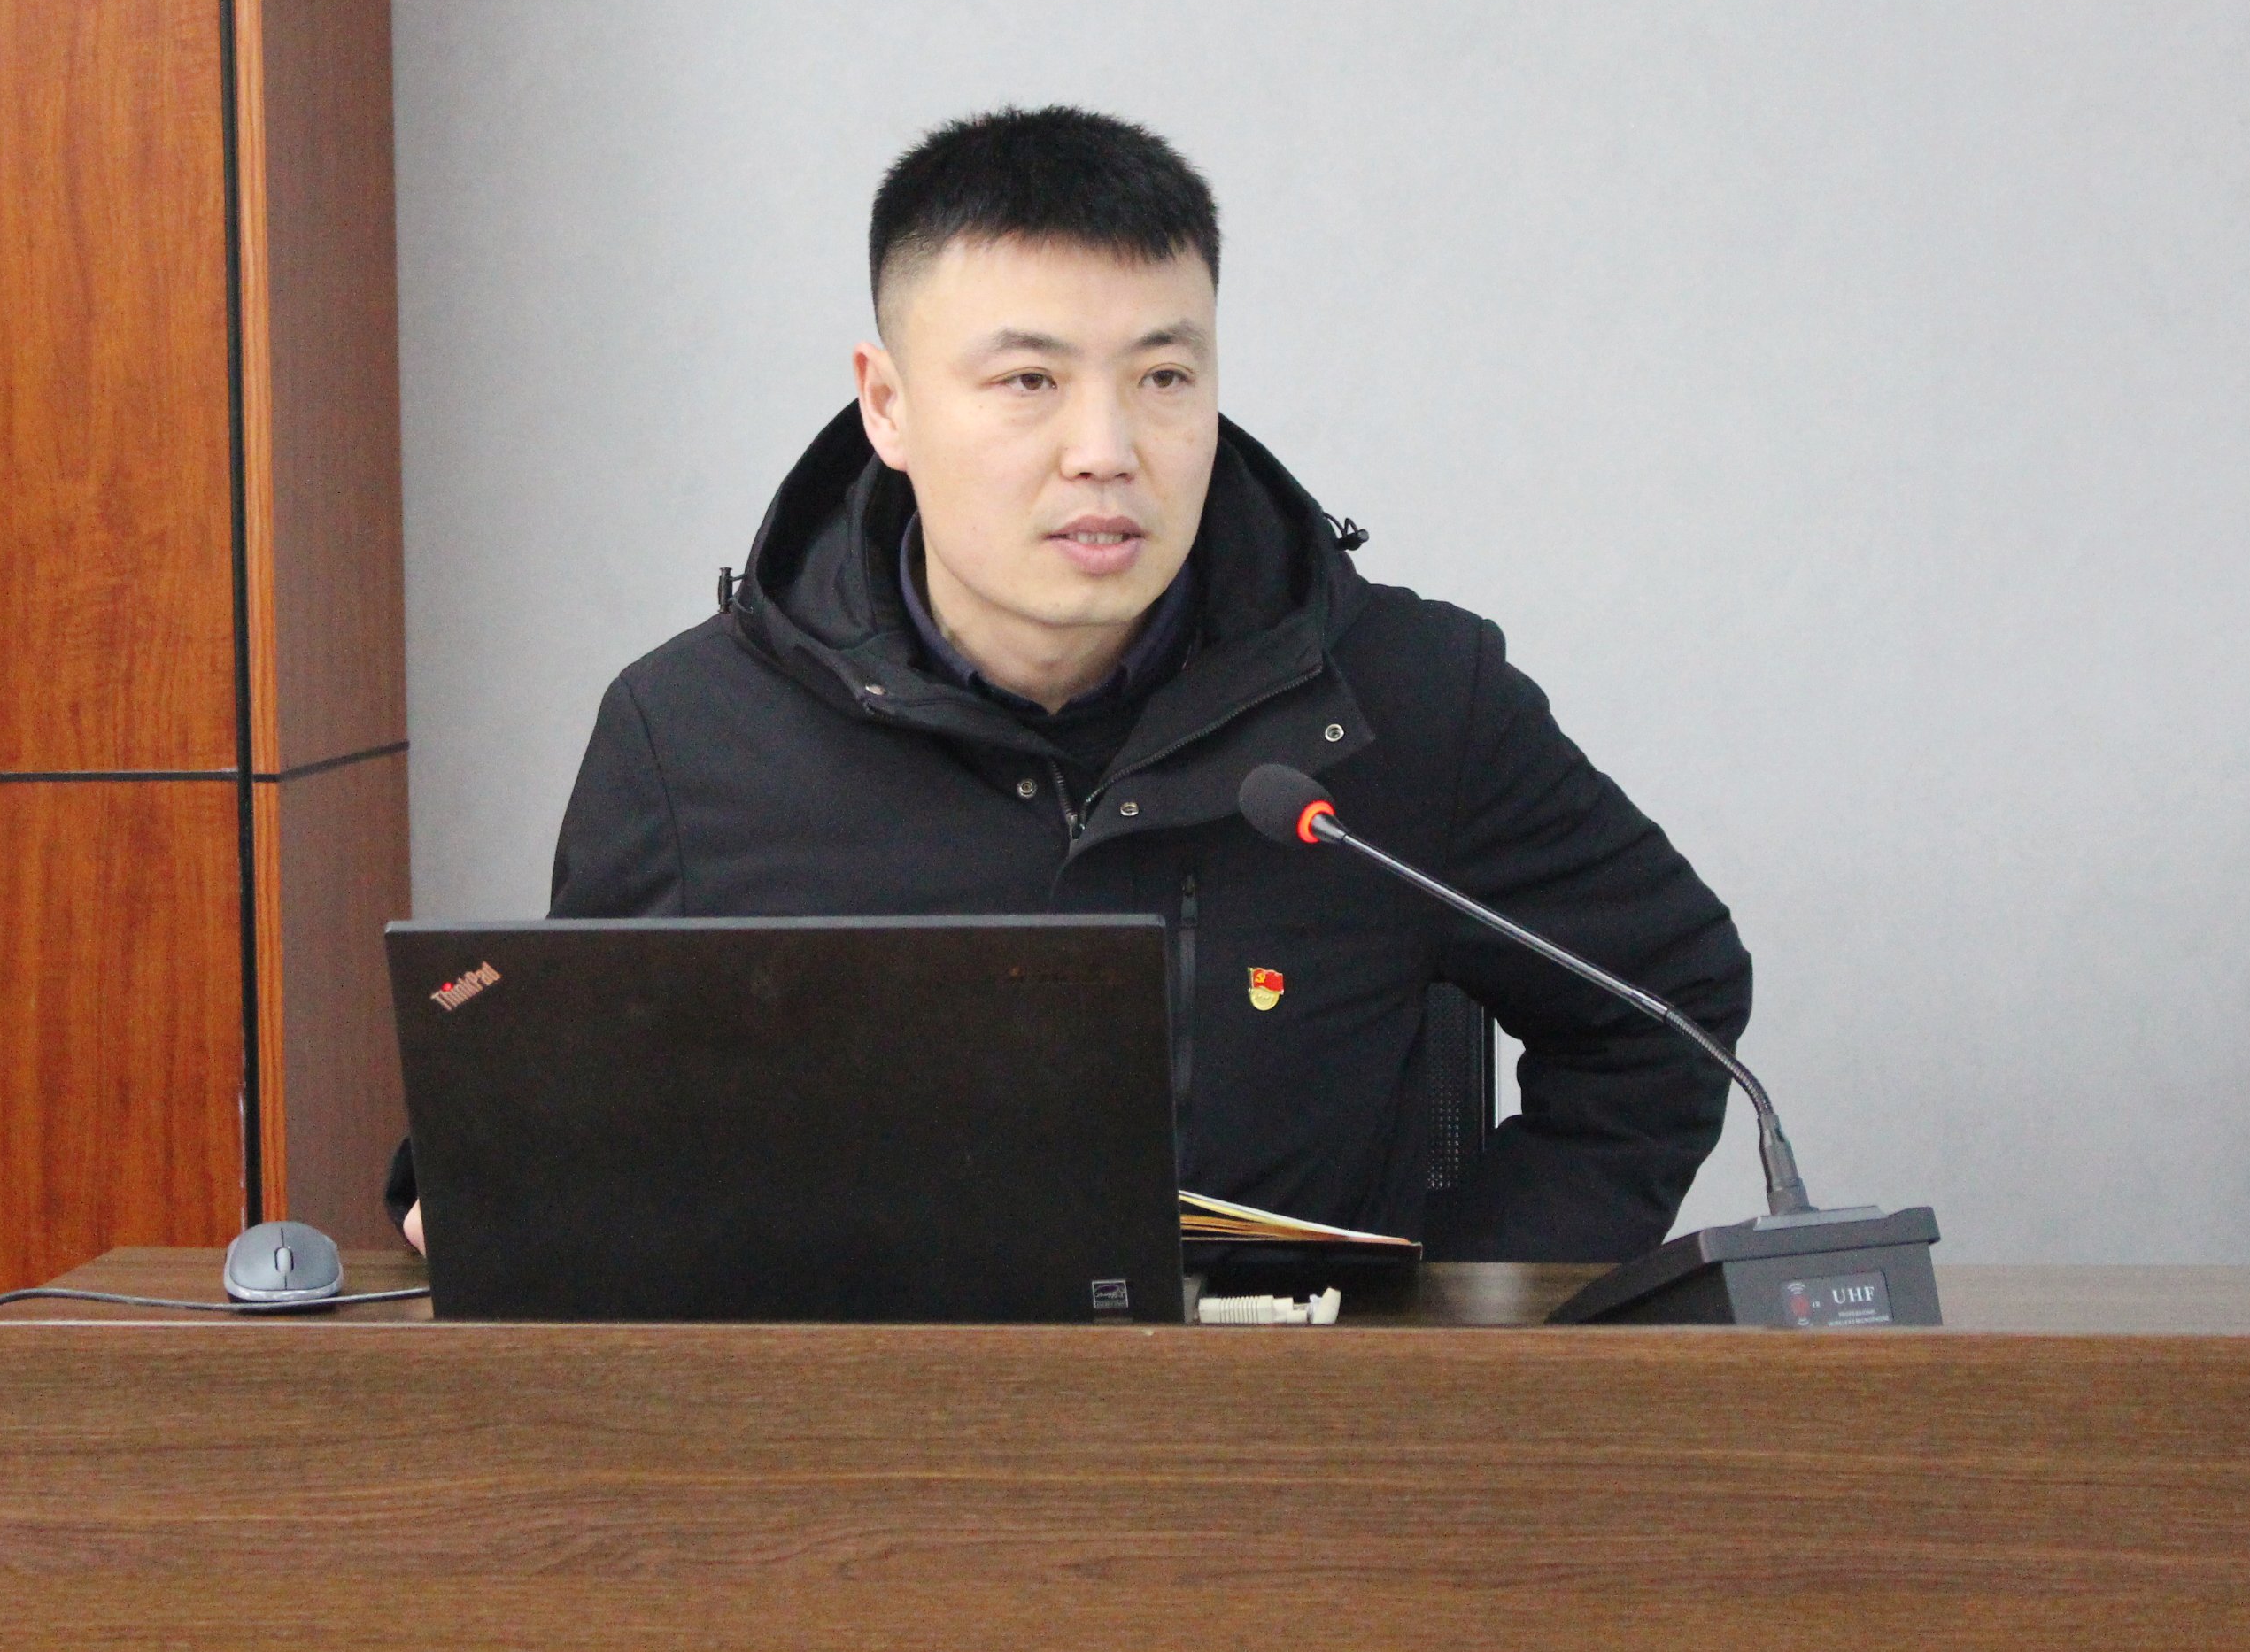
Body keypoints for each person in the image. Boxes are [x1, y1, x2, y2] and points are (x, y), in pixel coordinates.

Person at [393, 105, 1751, 1261]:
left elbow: (1667, 1010)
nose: (1105, 449)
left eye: (1162, 376)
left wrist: (1465, 1319)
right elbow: (574, 1115)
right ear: (887, 405)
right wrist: (477, 1183)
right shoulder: (691, 737)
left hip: (1287, 1446)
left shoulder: (1410, 696)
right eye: (1028, 380)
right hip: (872, 1454)